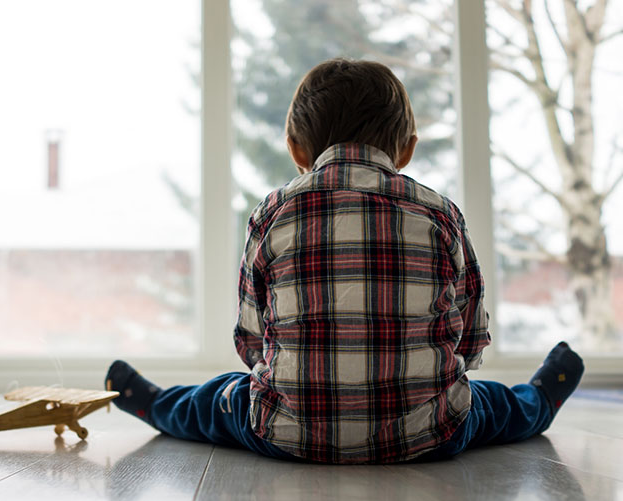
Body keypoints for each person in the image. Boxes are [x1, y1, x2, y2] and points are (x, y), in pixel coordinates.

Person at [105, 58, 584, 464]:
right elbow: (473, 340)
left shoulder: (271, 214)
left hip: (288, 436)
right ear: (408, 149)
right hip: (428, 437)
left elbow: (251, 343)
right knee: (495, 404)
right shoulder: (441, 213)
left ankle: (154, 405)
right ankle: (541, 398)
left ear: (295, 149)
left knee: (214, 399)